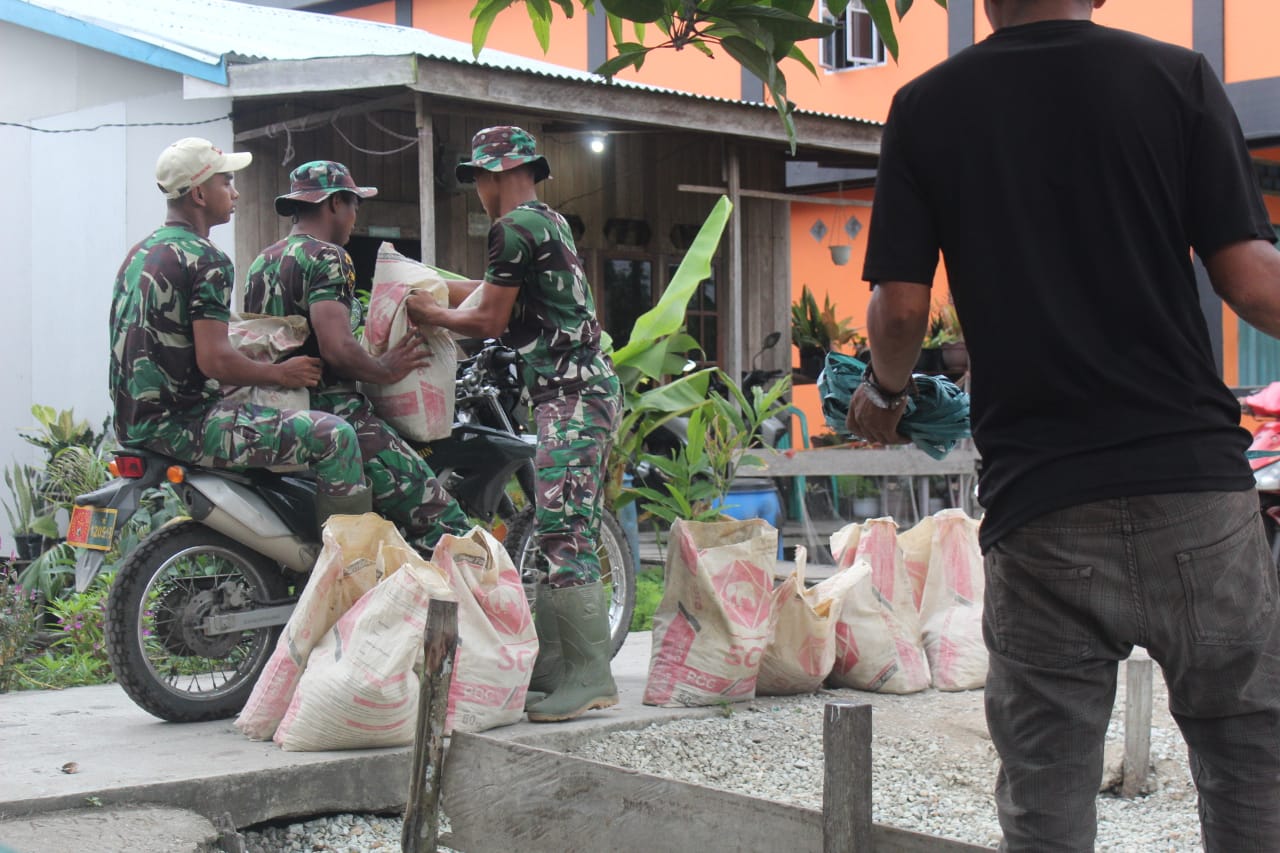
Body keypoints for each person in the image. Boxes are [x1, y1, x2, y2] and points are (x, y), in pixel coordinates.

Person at [847, 1, 1280, 850]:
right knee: (1248, 764)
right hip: (1192, 487)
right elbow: (1253, 279)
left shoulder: (929, 105)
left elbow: (901, 308)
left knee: (1045, 795)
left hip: (1041, 506)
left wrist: (885, 394)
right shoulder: (1177, 78)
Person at [405, 126, 622, 723]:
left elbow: (491, 319)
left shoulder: (513, 227)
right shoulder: (545, 221)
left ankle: (587, 674)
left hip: (572, 395)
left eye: (477, 177)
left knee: (564, 527)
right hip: (575, 392)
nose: (477, 190)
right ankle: (556, 670)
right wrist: (427, 285)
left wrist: (430, 314)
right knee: (559, 523)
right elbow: (490, 294)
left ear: (493, 175)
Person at [110, 138, 371, 528]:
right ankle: (350, 566)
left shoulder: (140, 253)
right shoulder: (207, 259)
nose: (235, 192)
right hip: (184, 425)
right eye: (226, 182)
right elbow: (214, 360)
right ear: (199, 193)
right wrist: (281, 373)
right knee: (335, 435)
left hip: (133, 424)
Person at [243, 160, 470, 557]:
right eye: (354, 205)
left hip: (277, 411)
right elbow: (337, 349)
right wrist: (386, 368)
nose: (354, 217)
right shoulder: (329, 258)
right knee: (444, 522)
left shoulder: (264, 260)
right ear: (333, 204)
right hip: (336, 413)